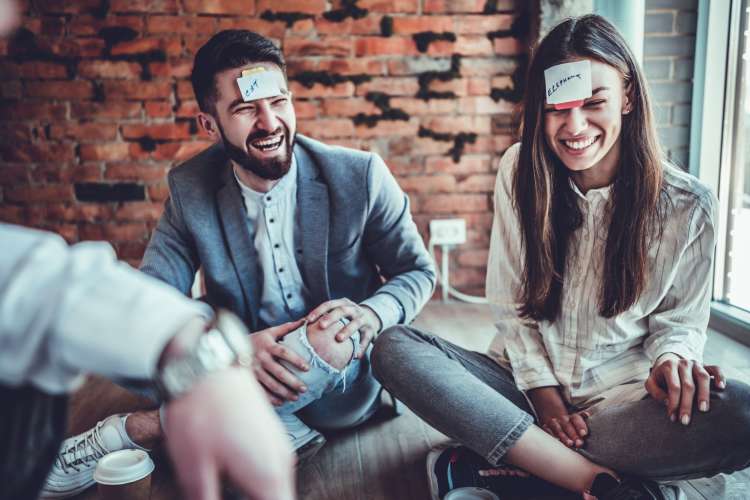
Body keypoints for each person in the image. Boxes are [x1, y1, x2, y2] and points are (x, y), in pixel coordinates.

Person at [371, 14, 750, 500]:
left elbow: (680, 319)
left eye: (594, 103)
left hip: (620, 403)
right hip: (519, 390)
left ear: (628, 96)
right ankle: (593, 480)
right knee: (392, 348)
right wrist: (546, 401)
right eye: (557, 108)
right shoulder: (518, 171)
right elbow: (511, 307)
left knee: (741, 411)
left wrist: (672, 361)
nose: (574, 127)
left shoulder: (689, 204)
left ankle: (516, 457)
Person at [43, 29, 435, 497]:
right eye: (247, 109)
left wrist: (371, 313)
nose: (270, 123)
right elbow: (153, 297)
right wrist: (230, 347)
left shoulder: (360, 175)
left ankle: (138, 430)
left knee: (330, 335)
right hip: (240, 358)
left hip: (337, 374)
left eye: (279, 102)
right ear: (209, 125)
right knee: (149, 342)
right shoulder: (189, 189)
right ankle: (276, 425)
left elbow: (418, 271)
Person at [0, 223, 295, 500]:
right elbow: (157, 284)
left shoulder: (336, 175)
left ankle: (146, 428)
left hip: (294, 359)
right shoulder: (189, 190)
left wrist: (198, 355)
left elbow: (39, 279)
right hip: (234, 353)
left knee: (330, 340)